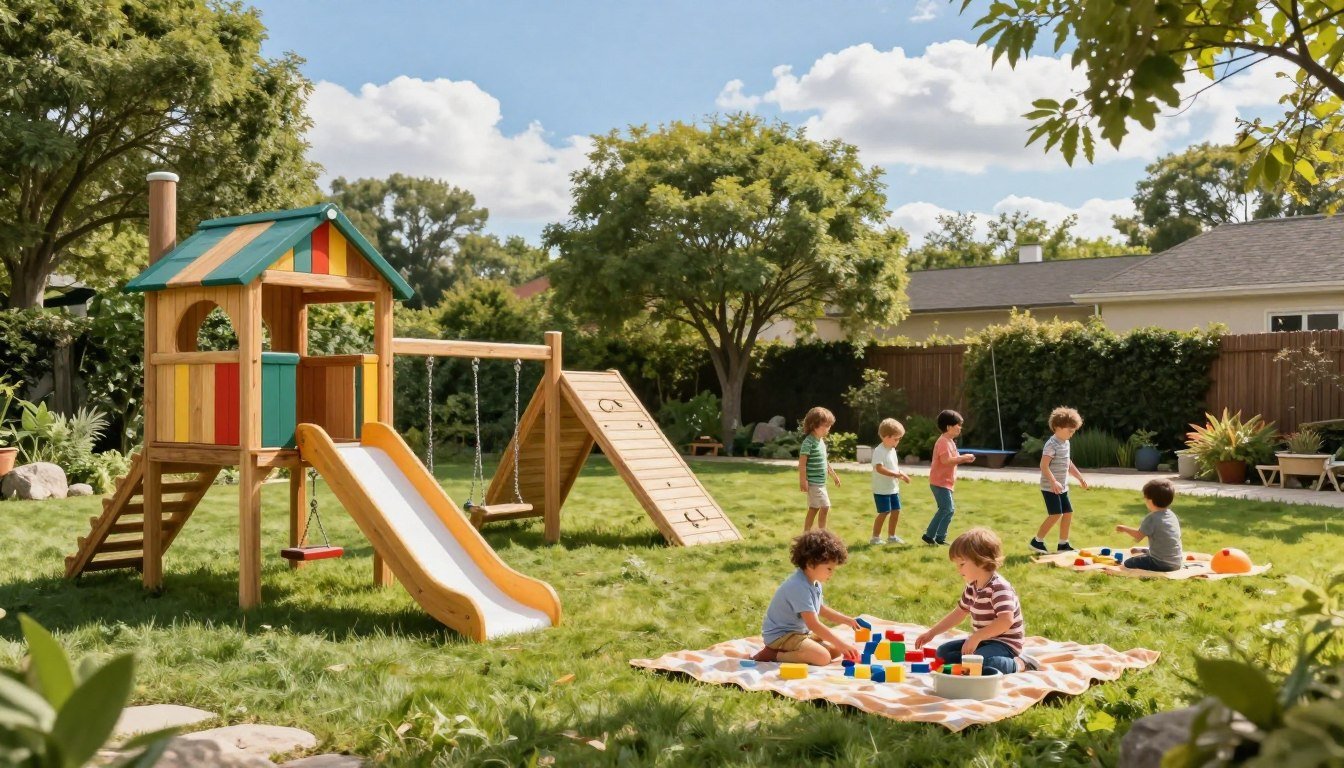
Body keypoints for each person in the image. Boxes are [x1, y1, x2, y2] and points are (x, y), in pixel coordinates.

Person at [915, 527, 1040, 675]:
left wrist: (976, 637)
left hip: (1005, 644)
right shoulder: (972, 586)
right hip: (982, 641)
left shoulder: (999, 588)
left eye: (961, 564)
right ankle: (970, 660)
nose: (958, 569)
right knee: (943, 653)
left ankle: (1020, 663)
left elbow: (1005, 621)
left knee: (983, 663)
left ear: (981, 561)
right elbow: (960, 612)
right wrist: (932, 632)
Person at [756, 529, 862, 665]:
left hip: (798, 633)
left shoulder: (814, 582)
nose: (831, 573)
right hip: (781, 636)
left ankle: (798, 652)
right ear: (811, 564)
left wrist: (847, 620)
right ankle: (773, 654)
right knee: (822, 657)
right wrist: (841, 644)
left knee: (836, 650)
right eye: (829, 569)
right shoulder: (798, 586)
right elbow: (813, 624)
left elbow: (820, 609)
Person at [1028, 406, 1090, 554]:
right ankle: (1037, 541)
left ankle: (1063, 544)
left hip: (1062, 486)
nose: (1072, 434)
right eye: (1070, 430)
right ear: (1057, 427)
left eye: (1074, 431)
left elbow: (1067, 463)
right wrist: (1053, 481)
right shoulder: (1051, 444)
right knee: (1056, 514)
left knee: (1068, 513)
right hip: (1050, 487)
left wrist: (1080, 477)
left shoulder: (1065, 443)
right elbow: (1043, 465)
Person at [921, 409, 976, 546]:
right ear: (948, 427)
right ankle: (929, 535)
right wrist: (963, 458)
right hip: (939, 482)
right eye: (958, 425)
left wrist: (964, 459)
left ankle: (940, 537)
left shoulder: (950, 441)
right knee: (947, 509)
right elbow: (946, 460)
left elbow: (953, 459)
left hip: (946, 483)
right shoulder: (943, 442)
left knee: (949, 510)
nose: (960, 428)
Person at [1116, 478, 1184, 572]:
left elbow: (1138, 536)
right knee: (1155, 549)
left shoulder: (1152, 518)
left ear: (1150, 500)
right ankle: (1145, 551)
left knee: (1129, 562)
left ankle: (1147, 554)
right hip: (1176, 562)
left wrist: (1124, 529)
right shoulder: (1172, 515)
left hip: (1160, 563)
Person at [799, 406, 842, 531]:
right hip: (814, 483)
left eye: (829, 426)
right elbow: (802, 464)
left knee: (815, 508)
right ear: (814, 425)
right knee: (824, 506)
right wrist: (803, 481)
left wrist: (834, 476)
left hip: (821, 483)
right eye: (825, 425)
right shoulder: (808, 442)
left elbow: (825, 461)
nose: (828, 429)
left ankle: (809, 534)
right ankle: (820, 534)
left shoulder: (820, 441)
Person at [871, 418, 911, 545]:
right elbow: (879, 468)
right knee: (884, 512)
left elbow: (895, 467)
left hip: (893, 488)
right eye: (896, 439)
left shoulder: (892, 450)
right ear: (886, 437)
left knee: (896, 510)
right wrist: (896, 474)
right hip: (881, 489)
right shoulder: (879, 451)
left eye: (899, 439)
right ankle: (875, 538)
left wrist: (902, 474)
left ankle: (891, 536)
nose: (898, 441)